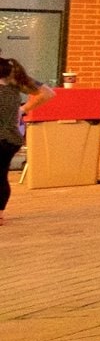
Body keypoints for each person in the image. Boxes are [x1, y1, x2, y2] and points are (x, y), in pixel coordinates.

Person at [0, 55, 53, 225]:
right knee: (0, 175)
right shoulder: (12, 75)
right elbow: (47, 93)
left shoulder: (10, 75)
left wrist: (22, 109)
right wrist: (22, 109)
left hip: (4, 139)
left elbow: (47, 93)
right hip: (10, 138)